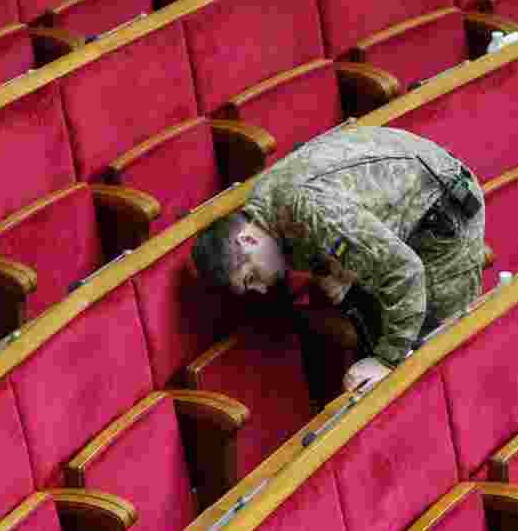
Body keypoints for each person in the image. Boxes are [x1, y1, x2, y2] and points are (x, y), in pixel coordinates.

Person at [191, 125, 486, 395]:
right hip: (406, 196)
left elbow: (405, 271)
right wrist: (329, 270)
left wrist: (385, 360)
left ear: (249, 240)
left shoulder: (308, 209)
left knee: (441, 349)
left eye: (250, 277)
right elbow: (308, 239)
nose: (261, 289)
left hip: (443, 211)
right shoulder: (263, 206)